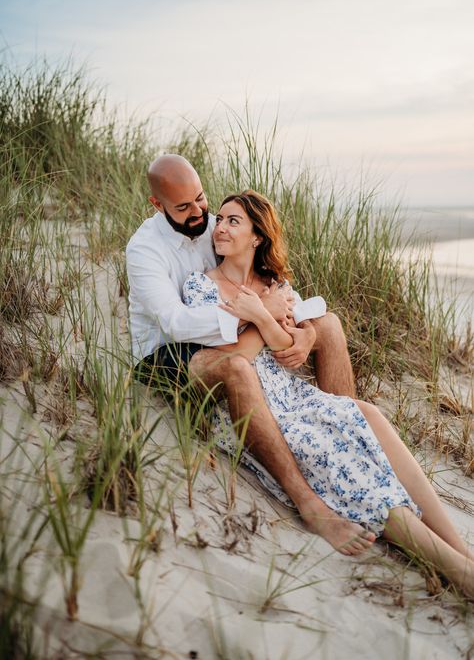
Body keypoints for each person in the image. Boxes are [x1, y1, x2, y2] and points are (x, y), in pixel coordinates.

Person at [125, 154, 466, 563]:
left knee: (330, 331)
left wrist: (300, 332)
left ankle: (452, 541)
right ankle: (312, 503)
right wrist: (263, 317)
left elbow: (287, 305)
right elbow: (177, 322)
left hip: (253, 348)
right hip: (169, 356)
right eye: (186, 208)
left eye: (204, 201)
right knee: (239, 365)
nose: (206, 216)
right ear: (157, 205)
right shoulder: (148, 250)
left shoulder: (218, 228)